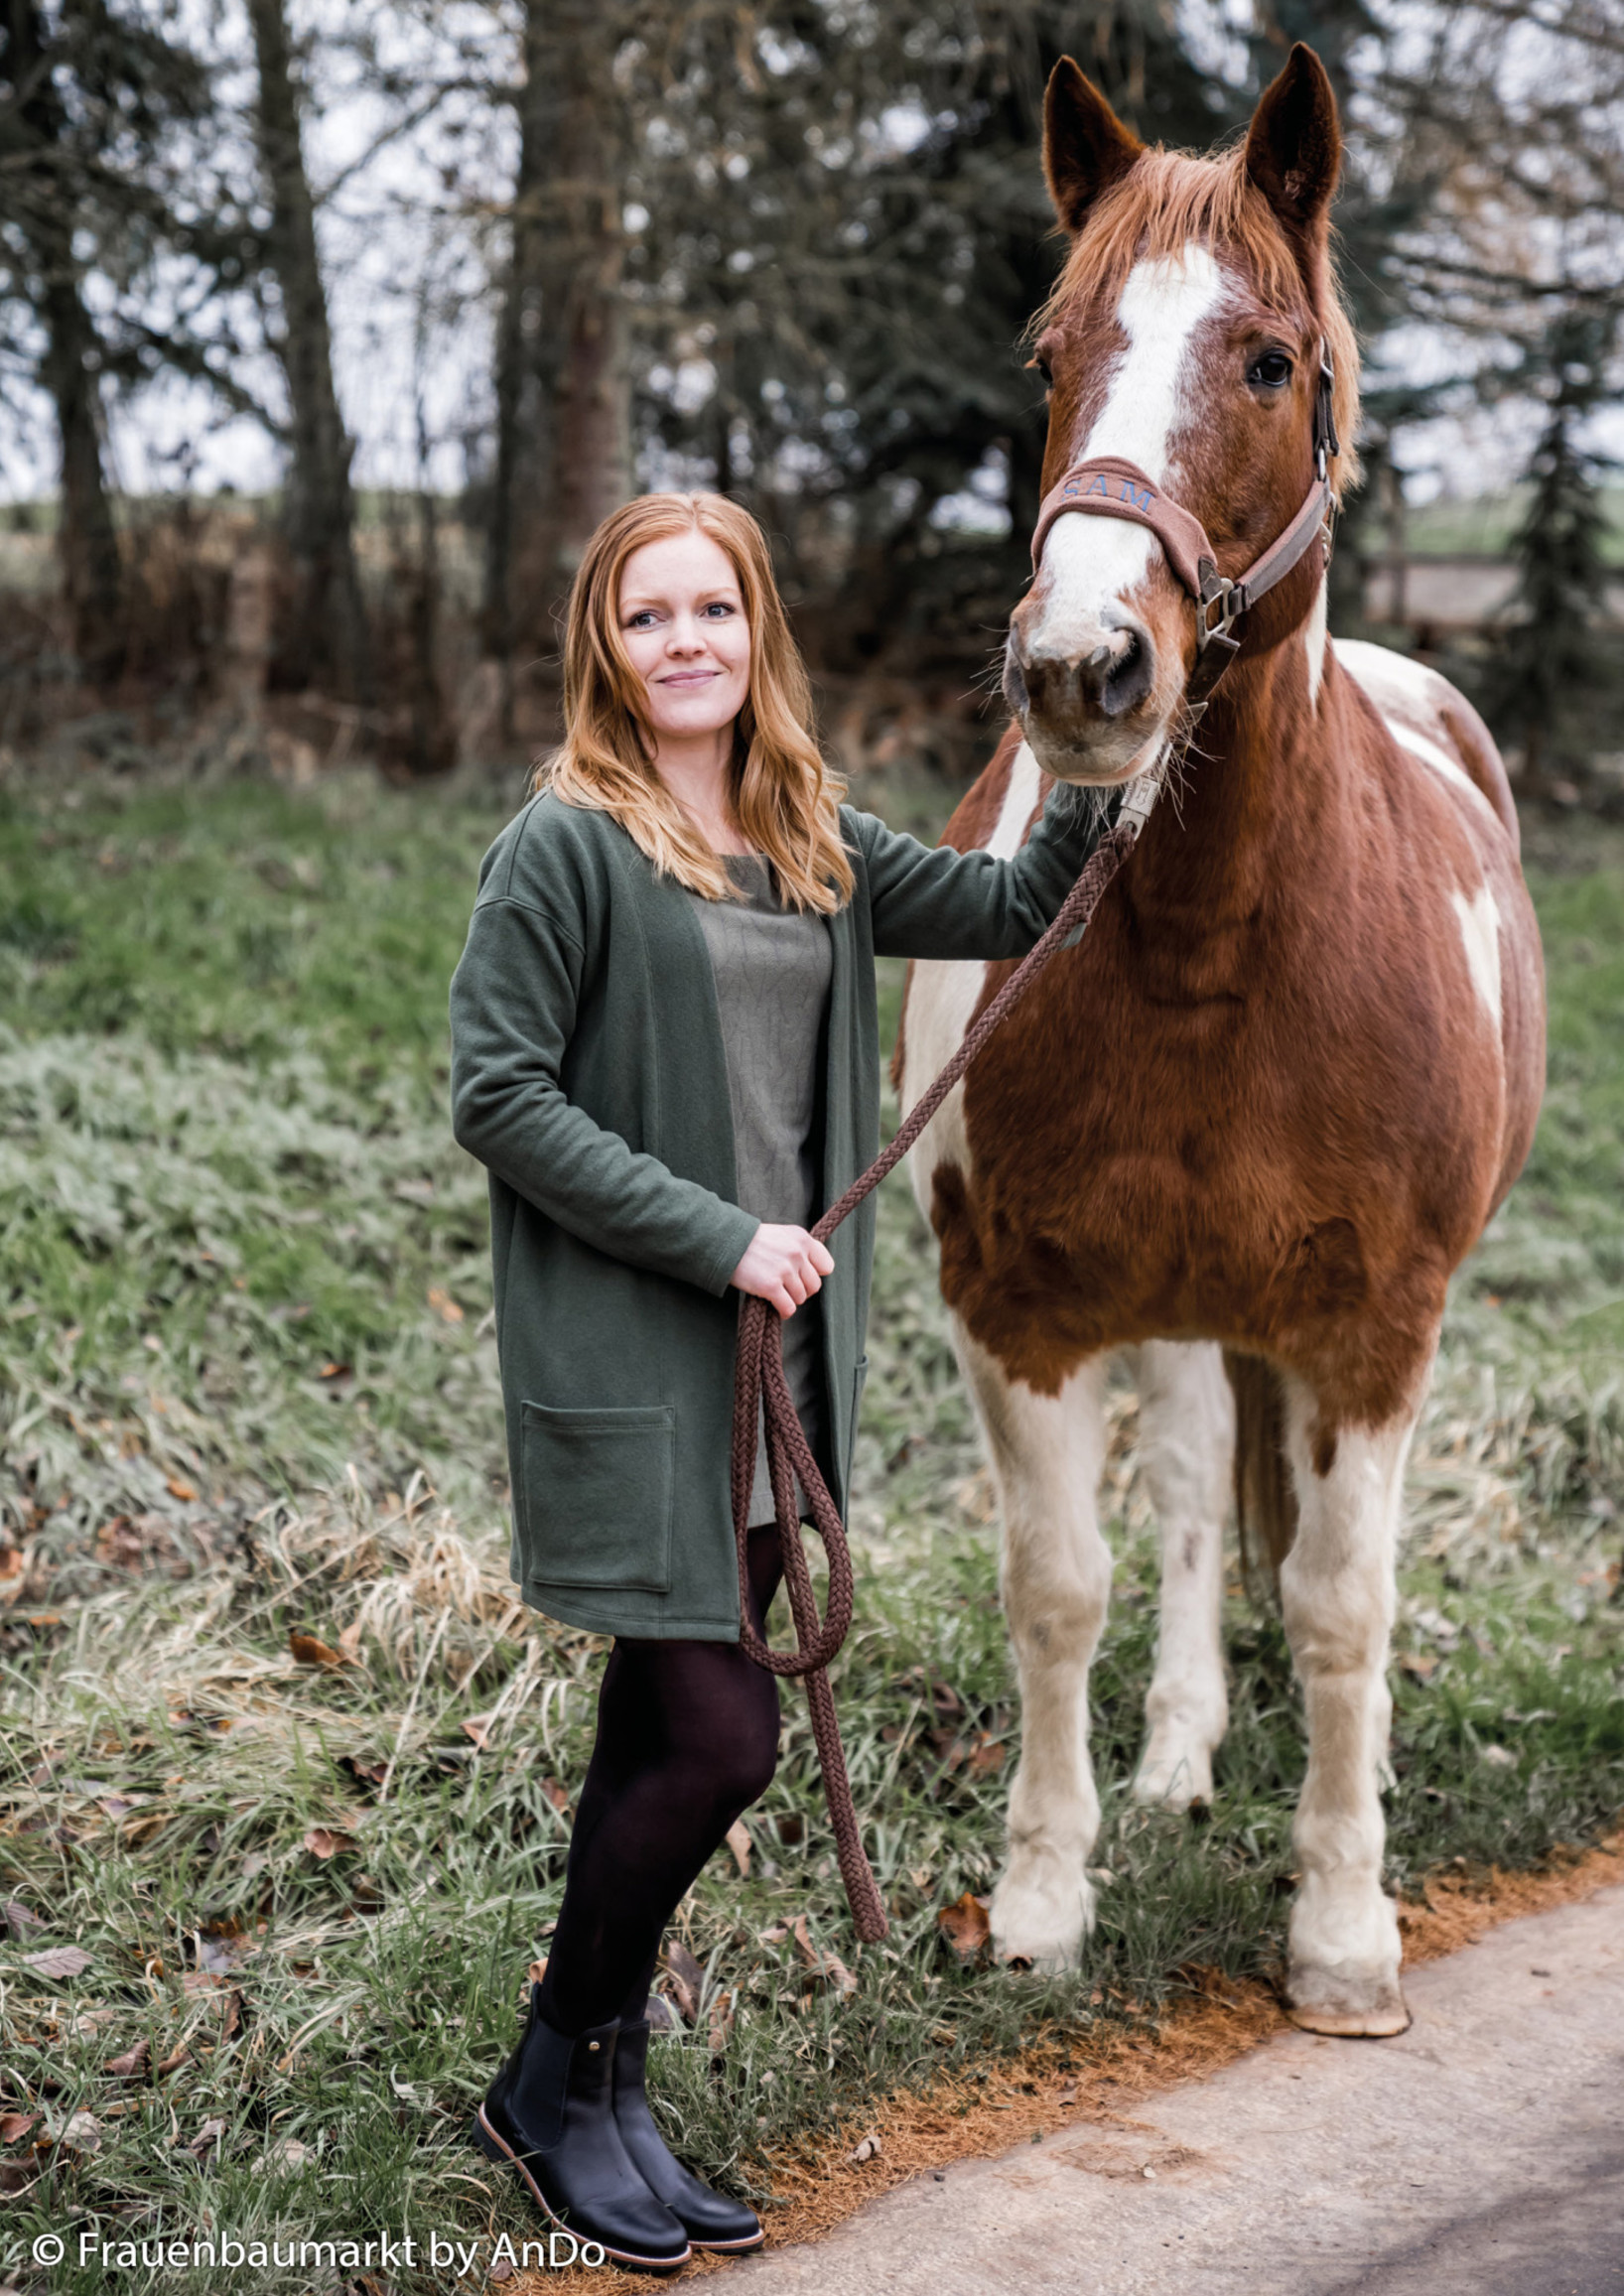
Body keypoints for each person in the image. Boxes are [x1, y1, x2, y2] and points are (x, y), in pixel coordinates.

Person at [449, 490, 1113, 2269]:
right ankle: (548, 2074)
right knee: (724, 1740)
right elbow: (497, 1094)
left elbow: (1008, 901)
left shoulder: (811, 835)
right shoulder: (566, 844)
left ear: (759, 637)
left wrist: (1096, 736)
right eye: (650, 615)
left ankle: (596, 2087)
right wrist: (720, 1234)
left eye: (716, 612)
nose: (687, 644)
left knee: (654, 1737)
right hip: (643, 1357)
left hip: (772, 1384)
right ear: (607, 641)